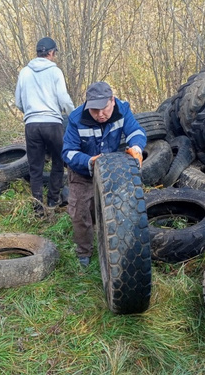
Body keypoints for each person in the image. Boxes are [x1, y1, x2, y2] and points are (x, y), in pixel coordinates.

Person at [62, 81, 146, 267]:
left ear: (112, 101)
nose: (100, 115)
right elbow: (68, 152)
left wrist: (137, 148)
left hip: (110, 170)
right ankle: (84, 252)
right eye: (94, 110)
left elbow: (136, 131)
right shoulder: (76, 118)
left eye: (104, 109)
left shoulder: (123, 110)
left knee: (114, 209)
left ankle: (115, 247)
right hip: (82, 172)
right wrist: (89, 161)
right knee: (81, 211)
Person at [15, 36, 75, 216]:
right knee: (58, 161)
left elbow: (18, 101)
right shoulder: (55, 72)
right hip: (52, 123)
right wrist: (73, 115)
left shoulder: (24, 72)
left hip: (32, 125)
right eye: (54, 53)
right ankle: (52, 201)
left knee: (36, 166)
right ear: (50, 53)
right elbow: (64, 98)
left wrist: (30, 113)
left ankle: (37, 207)